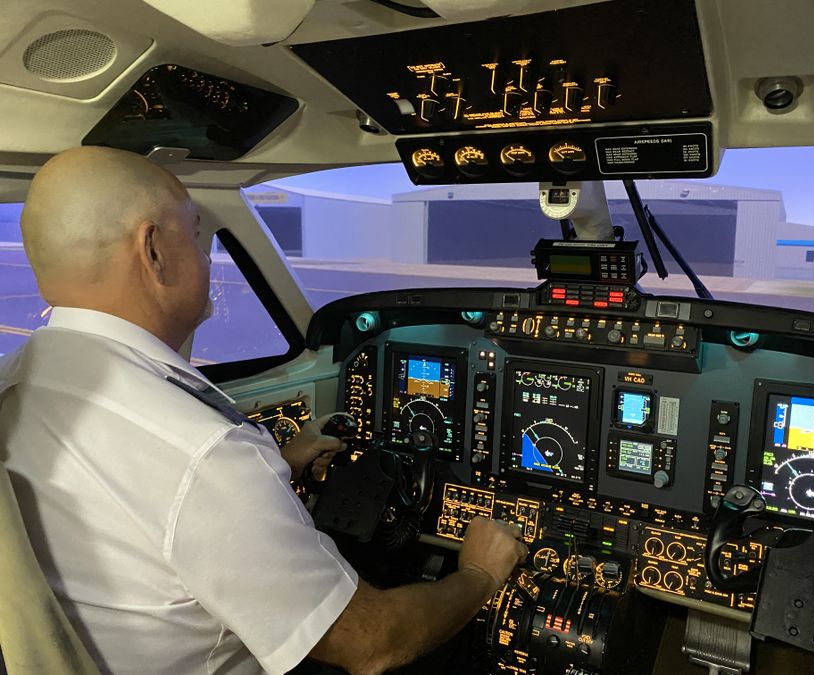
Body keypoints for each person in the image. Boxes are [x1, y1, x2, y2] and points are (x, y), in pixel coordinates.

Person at [0, 147, 527, 674]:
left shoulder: (19, 379)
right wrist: (480, 573)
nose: (207, 258)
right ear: (154, 250)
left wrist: (280, 466)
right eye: (195, 233)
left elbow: (143, 506)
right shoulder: (203, 453)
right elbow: (370, 643)